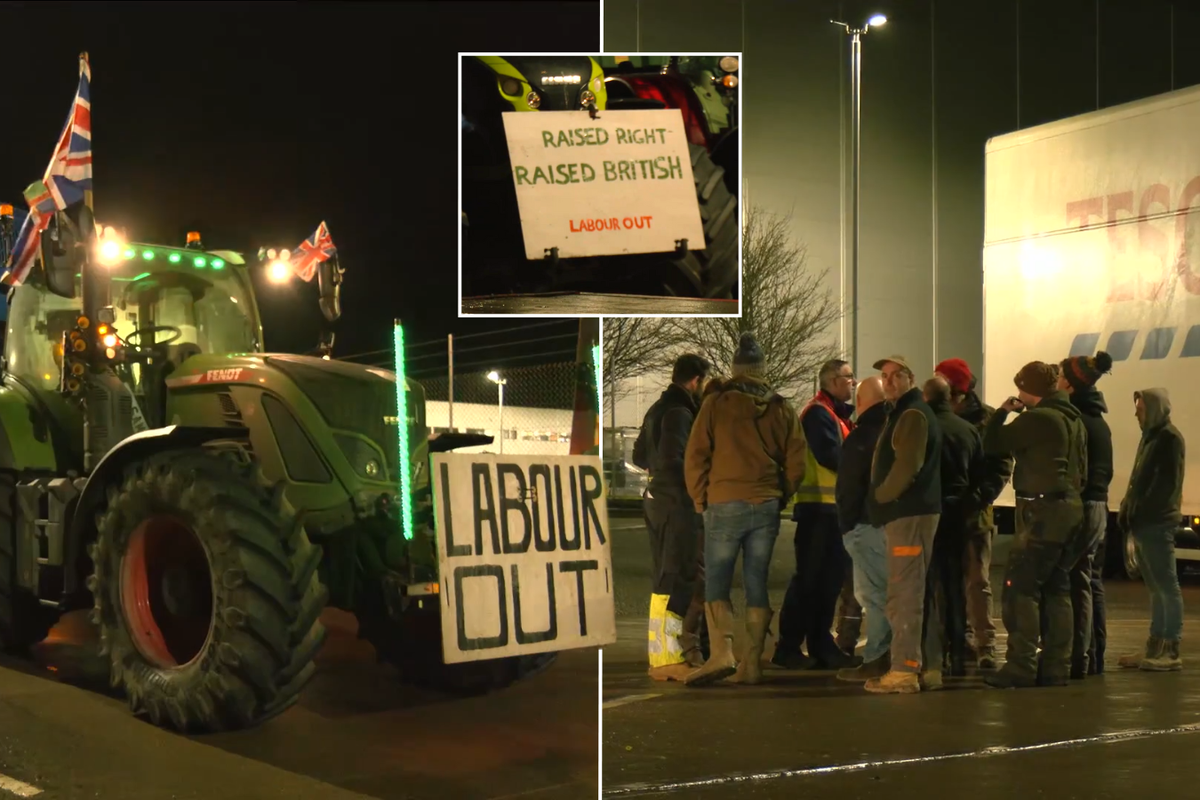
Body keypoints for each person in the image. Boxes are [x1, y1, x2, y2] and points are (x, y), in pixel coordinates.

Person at [683, 333, 806, 686]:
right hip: (765, 504)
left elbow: (696, 454)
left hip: (723, 501)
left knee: (717, 581)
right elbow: (797, 461)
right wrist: (780, 494)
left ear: (737, 370)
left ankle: (721, 654)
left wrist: (700, 498)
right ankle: (751, 663)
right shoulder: (782, 407)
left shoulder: (717, 403)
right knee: (757, 581)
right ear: (762, 370)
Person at [981, 361, 1088, 689]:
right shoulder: (1074, 419)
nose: (1018, 395)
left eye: (1021, 389)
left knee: (1021, 588)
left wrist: (1002, 412)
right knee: (1057, 589)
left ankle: (1021, 665)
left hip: (1041, 511)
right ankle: (1056, 666)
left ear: (1031, 389)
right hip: (1070, 508)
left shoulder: (1038, 419)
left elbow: (992, 442)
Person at [863, 356, 943, 695]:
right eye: (885, 376)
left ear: (911, 378)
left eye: (896, 375)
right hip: (910, 513)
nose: (889, 381)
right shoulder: (905, 412)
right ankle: (926, 667)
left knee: (905, 593)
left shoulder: (911, 414)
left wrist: (881, 496)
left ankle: (904, 670)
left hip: (907, 515)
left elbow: (907, 465)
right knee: (913, 590)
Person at [632, 354, 713, 681]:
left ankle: (661, 656)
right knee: (680, 575)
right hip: (676, 501)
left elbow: (639, 455)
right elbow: (675, 460)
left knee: (664, 577)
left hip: (656, 499)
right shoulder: (681, 412)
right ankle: (670, 657)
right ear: (696, 380)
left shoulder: (657, 408)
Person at [774, 359, 858, 670]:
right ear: (834, 381)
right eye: (849, 377)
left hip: (828, 511)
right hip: (820, 511)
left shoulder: (831, 414)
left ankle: (816, 645)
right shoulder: (820, 414)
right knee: (811, 581)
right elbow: (833, 457)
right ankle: (791, 646)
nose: (854, 382)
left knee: (825, 583)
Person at [934, 359, 1013, 669]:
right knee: (946, 582)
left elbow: (1000, 465)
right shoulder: (936, 416)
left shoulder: (986, 420)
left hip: (974, 514)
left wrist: (979, 498)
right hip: (944, 512)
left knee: (976, 580)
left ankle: (985, 643)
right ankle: (958, 639)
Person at [1116, 389, 1187, 672]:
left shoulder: (1168, 439)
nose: (1136, 413)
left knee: (1165, 587)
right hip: (1146, 521)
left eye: (1141, 408)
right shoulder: (1152, 437)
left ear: (1154, 409)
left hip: (1156, 521)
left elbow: (1164, 485)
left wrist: (1139, 509)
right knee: (1157, 588)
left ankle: (1169, 650)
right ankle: (1156, 646)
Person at [922, 375, 985, 678]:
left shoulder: (924, 427)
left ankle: (933, 654)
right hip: (960, 514)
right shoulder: (968, 430)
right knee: (956, 585)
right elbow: (980, 472)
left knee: (929, 586)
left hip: (931, 512)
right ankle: (960, 651)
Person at [1057, 352, 1114, 678]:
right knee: (1090, 580)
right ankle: (1094, 656)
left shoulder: (1078, 420)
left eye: (1061, 375)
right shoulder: (1098, 420)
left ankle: (1078, 657)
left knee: (1075, 580)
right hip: (1099, 505)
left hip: (1083, 505)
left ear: (1069, 382)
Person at [835, 376, 893, 682]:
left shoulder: (860, 438)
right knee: (883, 592)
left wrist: (847, 525)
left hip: (864, 525)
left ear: (860, 402)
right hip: (885, 523)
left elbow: (849, 487)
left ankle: (877, 658)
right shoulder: (893, 431)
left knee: (874, 594)